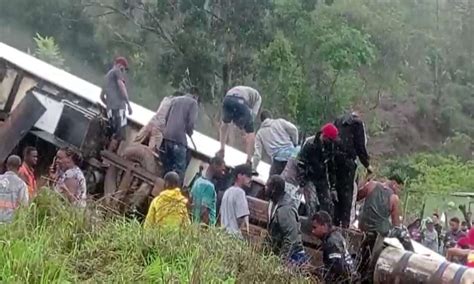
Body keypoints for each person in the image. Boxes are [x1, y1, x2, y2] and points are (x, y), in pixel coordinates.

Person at [333, 111, 372, 228]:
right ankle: (344, 226)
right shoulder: (357, 124)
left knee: (335, 192)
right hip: (347, 162)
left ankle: (334, 221)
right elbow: (360, 146)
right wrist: (367, 164)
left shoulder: (338, 120)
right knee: (346, 195)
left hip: (334, 161)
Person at [297, 123, 340, 218]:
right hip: (309, 177)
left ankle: (325, 225)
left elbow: (331, 167)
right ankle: (312, 223)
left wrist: (333, 187)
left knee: (327, 203)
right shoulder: (310, 144)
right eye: (330, 140)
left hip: (322, 178)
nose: (331, 142)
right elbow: (301, 163)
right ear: (324, 136)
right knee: (311, 203)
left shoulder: (331, 146)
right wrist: (302, 182)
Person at [265, 175, 307, 265]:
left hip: (293, 256)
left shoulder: (285, 210)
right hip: (279, 251)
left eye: (267, 185)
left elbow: (291, 238)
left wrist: (281, 261)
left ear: (274, 189)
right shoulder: (273, 203)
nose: (265, 187)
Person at [162, 87, 199, 182]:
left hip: (167, 137)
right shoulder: (193, 103)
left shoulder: (175, 100)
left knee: (167, 167)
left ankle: (163, 185)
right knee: (180, 169)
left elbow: (166, 117)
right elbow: (191, 123)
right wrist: (190, 132)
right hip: (178, 139)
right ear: (196, 95)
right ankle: (175, 191)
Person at [217, 86, 262, 164]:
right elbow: (252, 117)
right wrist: (246, 133)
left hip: (228, 99)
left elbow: (236, 117)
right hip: (240, 101)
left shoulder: (246, 91)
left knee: (224, 124)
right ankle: (248, 160)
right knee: (251, 133)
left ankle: (221, 149)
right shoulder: (258, 99)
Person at [311, 211, 357, 283]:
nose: (312, 231)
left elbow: (337, 269)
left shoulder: (332, 243)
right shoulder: (336, 235)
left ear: (324, 226)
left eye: (315, 227)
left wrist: (317, 272)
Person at [100, 56, 133, 152]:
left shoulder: (107, 77)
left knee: (113, 133)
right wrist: (128, 104)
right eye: (124, 69)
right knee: (119, 134)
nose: (124, 72)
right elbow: (121, 87)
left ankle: (105, 153)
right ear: (120, 66)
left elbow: (102, 96)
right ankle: (108, 156)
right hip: (119, 107)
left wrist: (109, 105)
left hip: (110, 109)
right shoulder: (117, 72)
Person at [252, 109, 298, 175]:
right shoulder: (280, 122)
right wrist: (295, 143)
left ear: (261, 120)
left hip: (278, 160)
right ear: (271, 117)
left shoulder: (260, 133)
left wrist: (253, 169)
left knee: (272, 183)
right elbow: (294, 129)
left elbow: (257, 154)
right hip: (293, 155)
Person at [190, 156, 226, 226]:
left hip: (193, 222)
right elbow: (204, 210)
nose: (223, 173)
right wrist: (207, 229)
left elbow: (191, 200)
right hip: (202, 227)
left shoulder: (198, 181)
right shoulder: (209, 186)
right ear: (215, 165)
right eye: (222, 170)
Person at [220, 164, 252, 238]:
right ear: (239, 175)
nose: (250, 179)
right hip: (234, 237)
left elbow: (220, 214)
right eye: (248, 176)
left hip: (223, 235)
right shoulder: (240, 193)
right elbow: (242, 219)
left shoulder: (227, 191)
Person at [0, 155, 29, 223]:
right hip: (9, 224)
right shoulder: (21, 185)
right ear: (19, 167)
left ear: (6, 165)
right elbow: (24, 206)